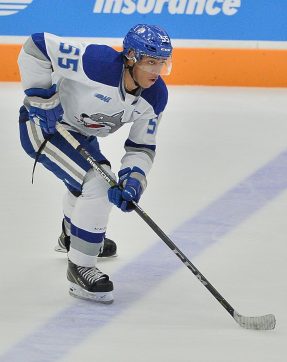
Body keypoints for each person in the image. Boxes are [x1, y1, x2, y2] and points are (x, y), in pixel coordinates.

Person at [18, 24, 173, 303]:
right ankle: (81, 266)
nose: (156, 71)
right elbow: (36, 46)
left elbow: (141, 147)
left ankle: (72, 236)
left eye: (162, 63)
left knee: (85, 184)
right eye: (151, 62)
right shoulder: (96, 63)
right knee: (99, 184)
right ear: (130, 56)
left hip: (81, 135)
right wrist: (42, 98)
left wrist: (133, 180)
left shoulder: (155, 97)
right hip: (44, 128)